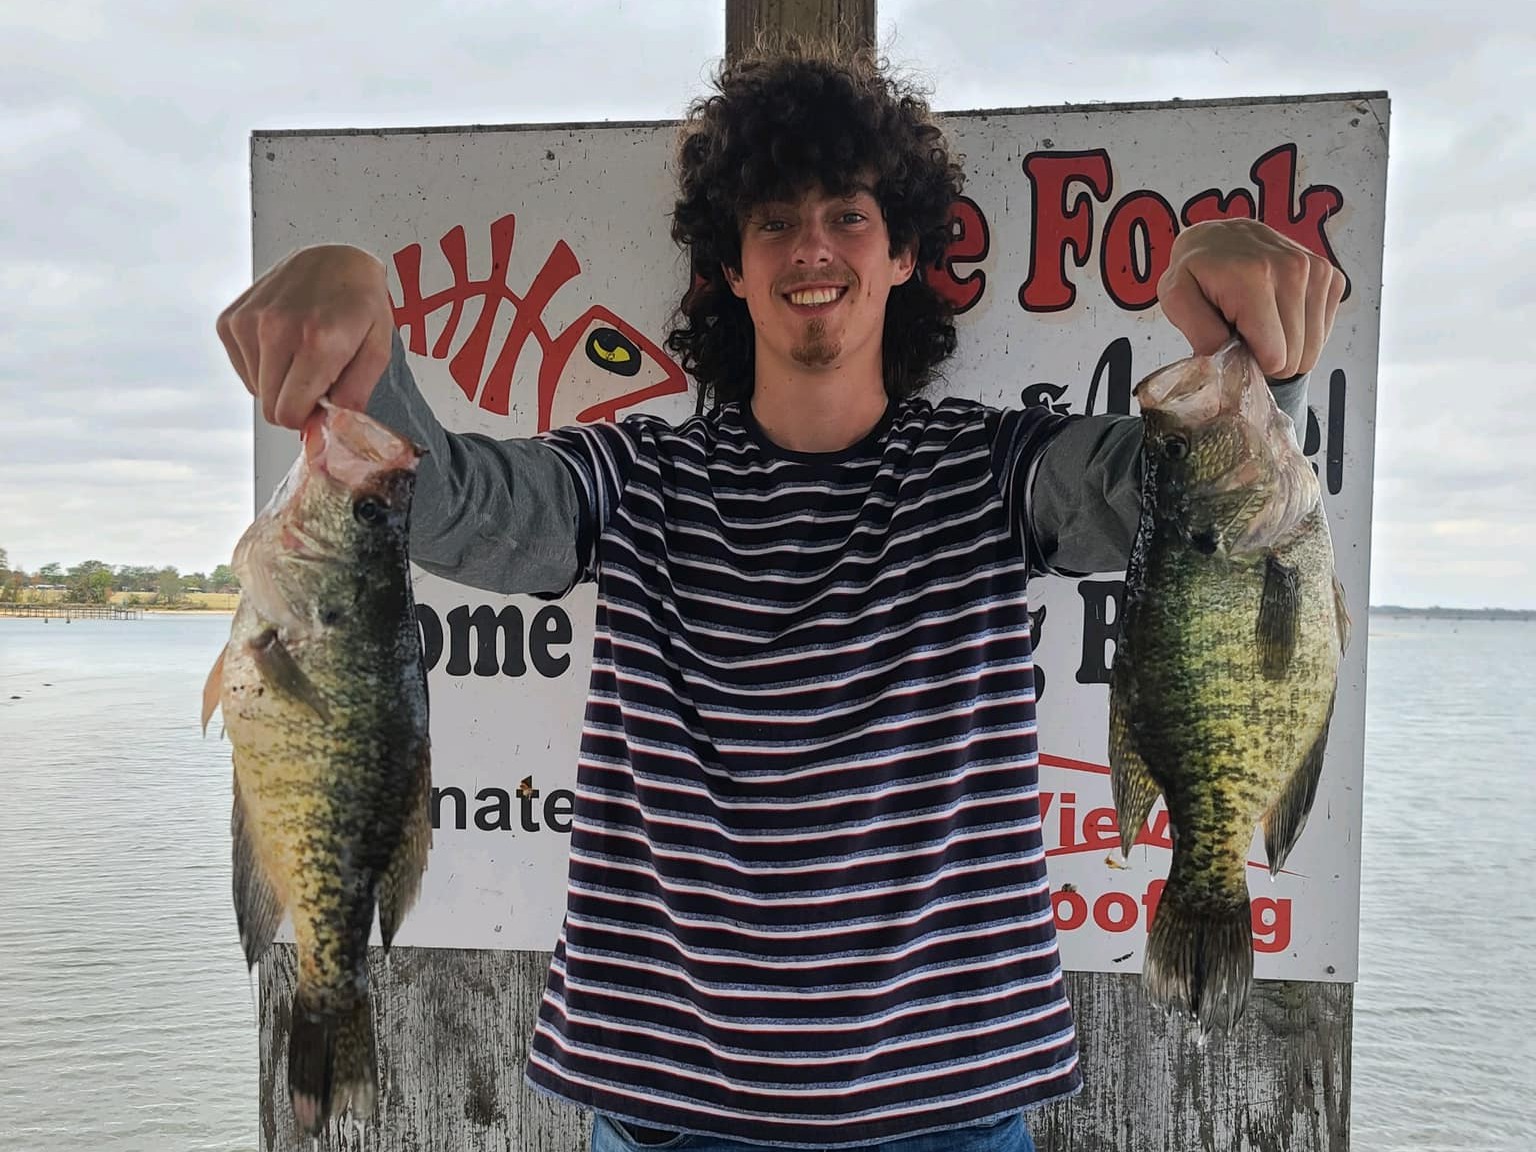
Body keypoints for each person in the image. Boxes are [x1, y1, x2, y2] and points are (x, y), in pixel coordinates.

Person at [216, 44, 1344, 1152]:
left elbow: (1190, 497)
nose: (813, 246)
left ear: (903, 252)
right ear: (732, 265)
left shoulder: (999, 471)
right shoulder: (634, 477)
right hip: (665, 1108)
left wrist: (1252, 341)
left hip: (952, 1104)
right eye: (773, 221)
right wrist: (359, 324)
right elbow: (447, 503)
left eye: (849, 214)